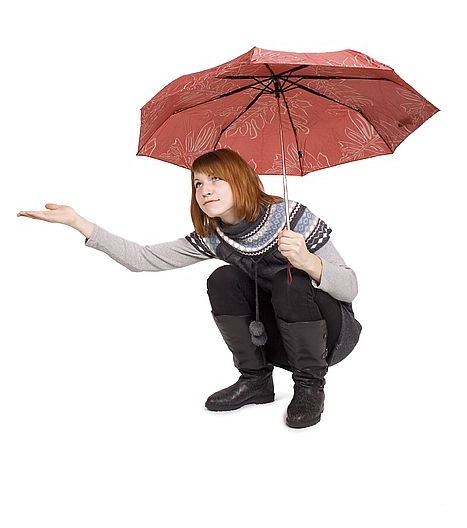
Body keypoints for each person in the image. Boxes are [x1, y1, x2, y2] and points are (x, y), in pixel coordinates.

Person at [17, 149, 361, 429]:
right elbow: (143, 258)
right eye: (197, 184)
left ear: (240, 180)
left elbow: (350, 288)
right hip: (277, 340)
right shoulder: (215, 237)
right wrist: (79, 223)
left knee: (292, 280)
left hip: (329, 336)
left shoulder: (293, 217)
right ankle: (256, 380)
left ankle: (310, 387)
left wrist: (307, 261)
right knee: (222, 279)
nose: (205, 190)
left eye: (215, 179)